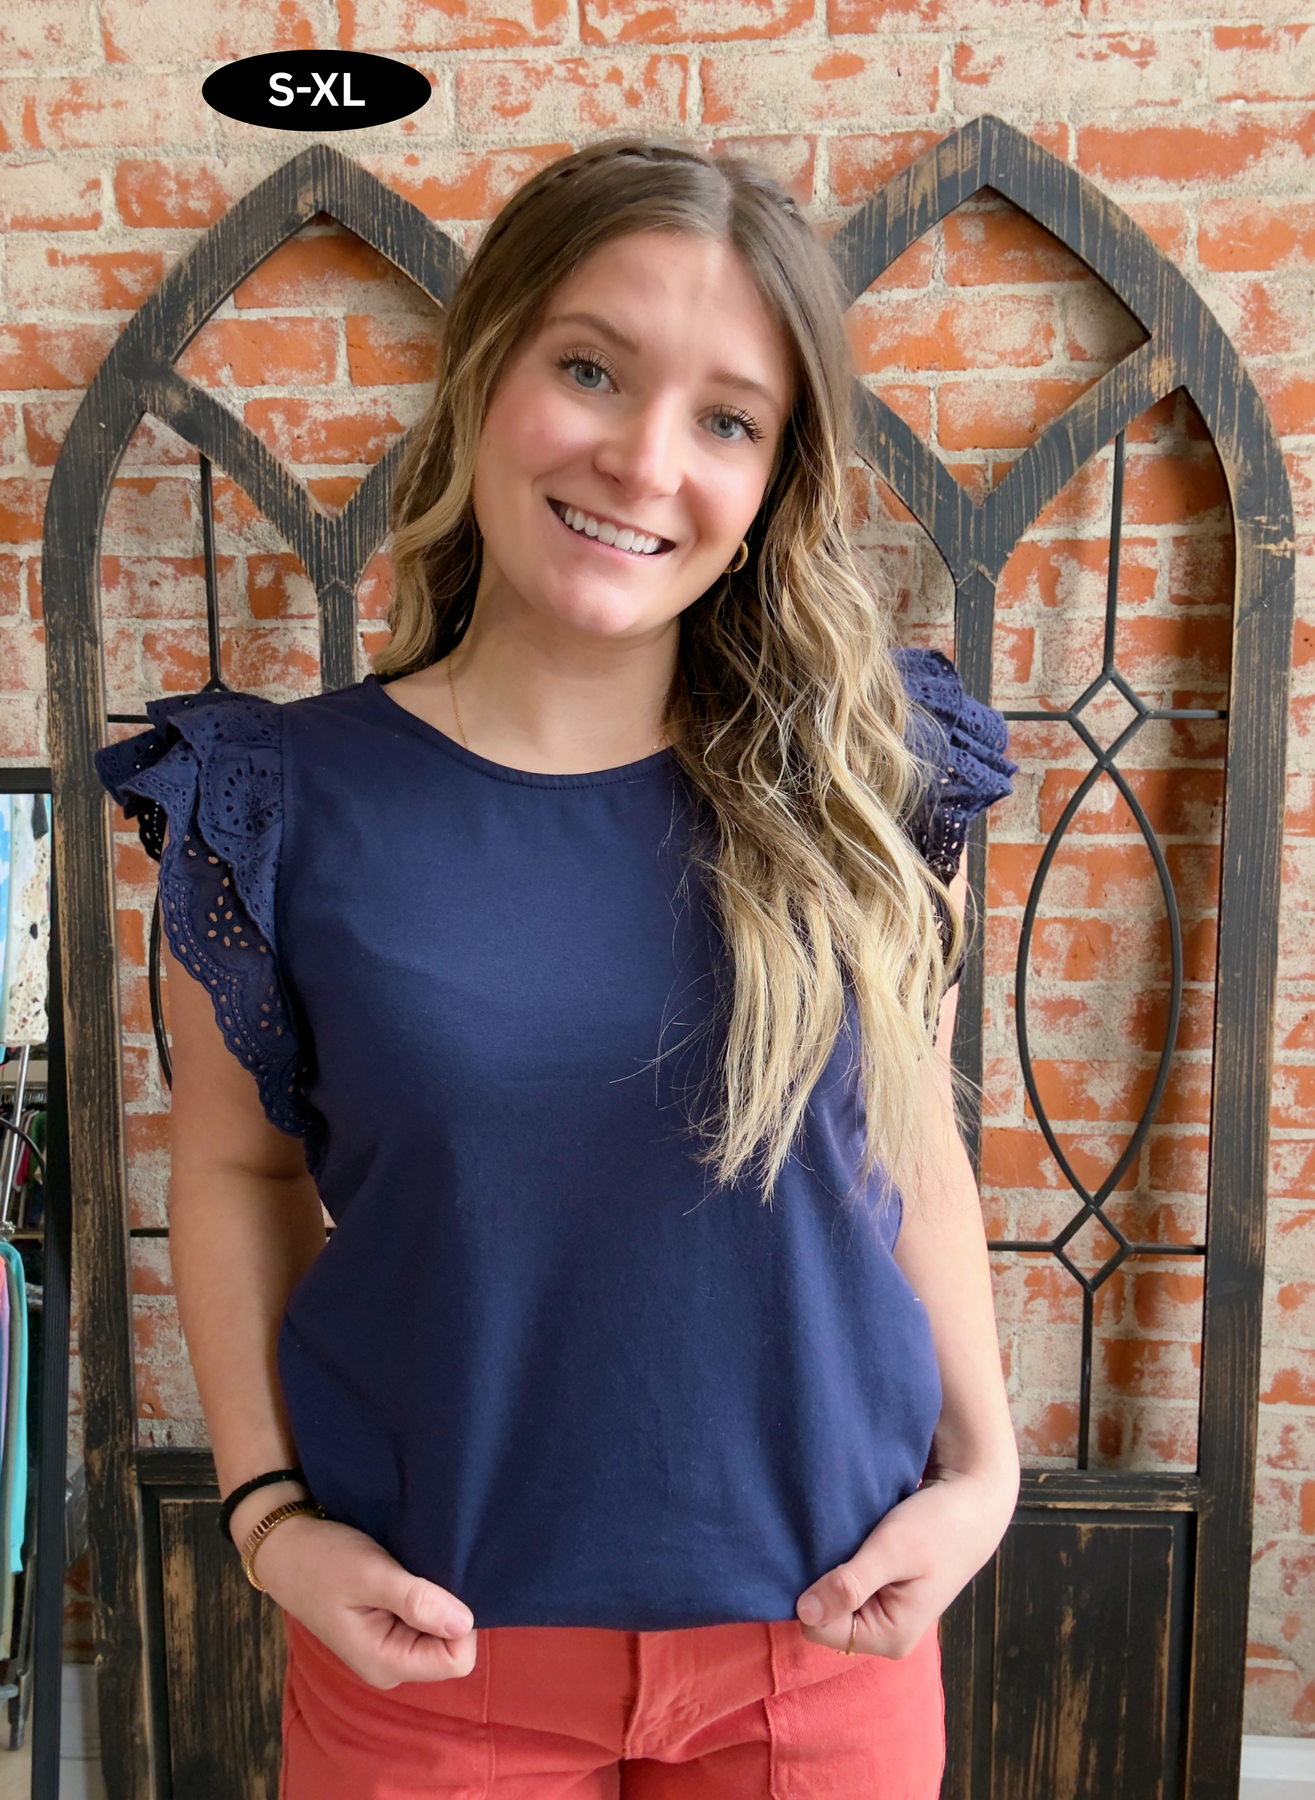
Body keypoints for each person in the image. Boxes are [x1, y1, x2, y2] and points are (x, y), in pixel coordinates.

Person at [97, 137, 1020, 1799]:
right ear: (483, 374)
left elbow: (907, 1146)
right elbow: (234, 1169)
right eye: (590, 368)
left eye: (727, 420)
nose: (643, 460)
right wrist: (268, 1519)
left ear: (774, 480)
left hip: (826, 1645)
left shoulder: (870, 782)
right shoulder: (270, 805)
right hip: (431, 1655)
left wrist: (988, 1473)